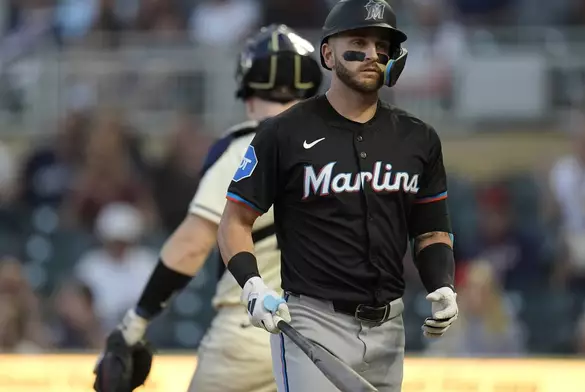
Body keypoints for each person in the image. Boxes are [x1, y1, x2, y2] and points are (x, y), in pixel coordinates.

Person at [217, 1, 459, 391]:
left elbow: (431, 230)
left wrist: (442, 284)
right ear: (327, 53)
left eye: (383, 45)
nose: (372, 54)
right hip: (314, 321)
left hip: (389, 327)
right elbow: (236, 220)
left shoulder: (419, 138)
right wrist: (253, 286)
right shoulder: (284, 132)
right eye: (358, 42)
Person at [91, 24, 322, 392]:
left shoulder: (247, 146)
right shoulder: (337, 153)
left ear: (247, 92)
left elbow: (192, 245)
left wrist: (133, 325)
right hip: (323, 339)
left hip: (250, 332)